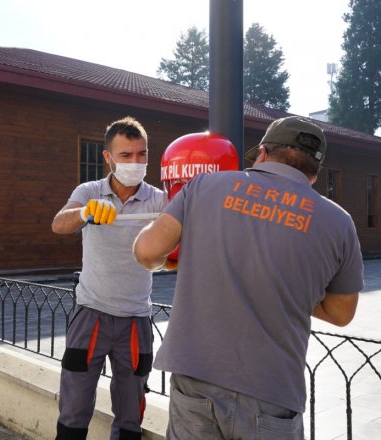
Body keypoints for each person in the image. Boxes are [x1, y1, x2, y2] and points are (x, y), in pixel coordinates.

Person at [134, 116, 363, 439]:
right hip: (272, 392)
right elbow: (342, 313)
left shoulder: (203, 186)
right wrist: (284, 287)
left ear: (264, 154)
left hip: (196, 380)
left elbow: (147, 252)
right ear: (313, 173)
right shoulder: (339, 222)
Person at [52, 117, 167, 440]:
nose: (134, 162)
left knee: (131, 412)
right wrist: (86, 212)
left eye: (141, 154)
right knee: (74, 406)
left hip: (135, 319)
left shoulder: (159, 200)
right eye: (126, 155)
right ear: (108, 157)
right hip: (91, 314)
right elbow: (59, 224)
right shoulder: (90, 191)